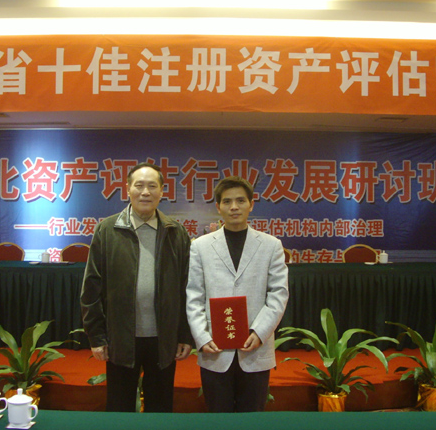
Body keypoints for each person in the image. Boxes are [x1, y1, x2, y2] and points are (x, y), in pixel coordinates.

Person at [80, 162, 192, 412]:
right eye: (139, 186)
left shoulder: (176, 232)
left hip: (163, 340)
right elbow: (91, 288)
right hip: (120, 338)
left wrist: (185, 334)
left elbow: (187, 288)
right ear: (127, 189)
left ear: (162, 191)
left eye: (152, 186)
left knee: (160, 409)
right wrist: (97, 336)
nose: (145, 192)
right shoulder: (108, 230)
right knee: (119, 409)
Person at [186, 176, 289, 412]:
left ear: (251, 204)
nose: (234, 207)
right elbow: (194, 295)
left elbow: (279, 293)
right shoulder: (200, 246)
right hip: (214, 348)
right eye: (227, 201)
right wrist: (202, 337)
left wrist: (260, 332)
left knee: (251, 419)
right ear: (218, 206)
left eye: (241, 201)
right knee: (218, 418)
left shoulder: (271, 245)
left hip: (255, 347)